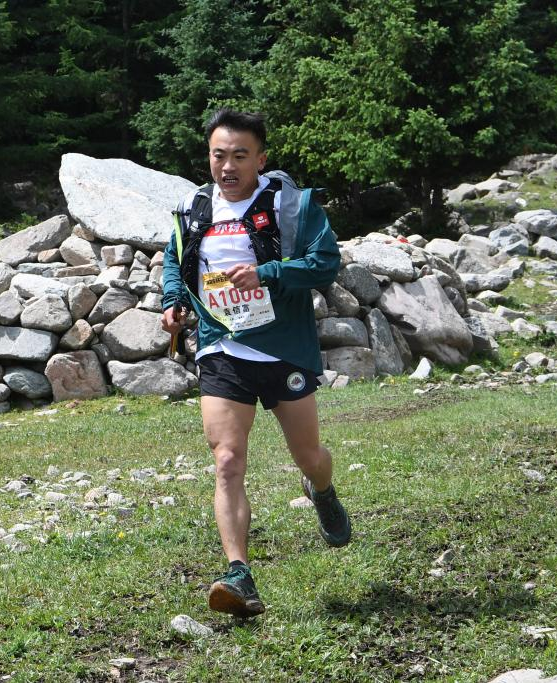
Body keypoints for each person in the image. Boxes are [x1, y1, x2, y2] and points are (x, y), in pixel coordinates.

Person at [161, 108, 351, 618]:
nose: (227, 166)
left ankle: (321, 489)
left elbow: (325, 263)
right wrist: (172, 301)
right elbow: (176, 258)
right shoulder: (194, 207)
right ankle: (238, 575)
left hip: (282, 346)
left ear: (260, 159)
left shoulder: (293, 205)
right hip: (221, 347)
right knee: (226, 460)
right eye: (219, 155)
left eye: (240, 156)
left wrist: (267, 273)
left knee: (308, 455)